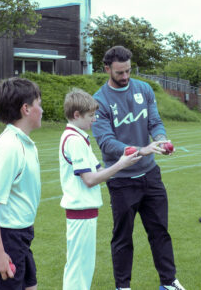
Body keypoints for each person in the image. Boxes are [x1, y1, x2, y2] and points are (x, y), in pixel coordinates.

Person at [91, 46, 185, 290]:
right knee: (122, 237)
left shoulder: (143, 89)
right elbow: (106, 142)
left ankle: (169, 282)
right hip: (121, 180)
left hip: (150, 175)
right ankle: (123, 286)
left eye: (128, 71)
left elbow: (154, 121)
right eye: (120, 72)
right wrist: (139, 150)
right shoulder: (99, 101)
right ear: (107, 69)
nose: (125, 77)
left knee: (160, 231)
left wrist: (162, 139)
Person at [59, 88, 141, 290]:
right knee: (79, 268)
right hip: (80, 212)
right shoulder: (75, 140)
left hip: (85, 212)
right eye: (91, 115)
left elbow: (100, 170)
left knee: (82, 267)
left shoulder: (80, 138)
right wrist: (121, 164)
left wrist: (123, 162)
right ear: (76, 115)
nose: (94, 120)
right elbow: (90, 179)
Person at [0, 77, 43, 290]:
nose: (42, 110)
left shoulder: (22, 142)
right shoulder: (9, 147)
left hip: (19, 234)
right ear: (26, 109)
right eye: (39, 104)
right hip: (5, 236)